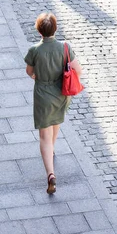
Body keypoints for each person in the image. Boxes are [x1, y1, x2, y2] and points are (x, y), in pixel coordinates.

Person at [24, 12, 83, 194]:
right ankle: (52, 149)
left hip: (43, 94)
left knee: (44, 137)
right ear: (55, 29)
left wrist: (37, 76)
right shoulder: (65, 47)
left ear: (39, 30)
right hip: (61, 93)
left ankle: (50, 174)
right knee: (56, 122)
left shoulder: (35, 50)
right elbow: (78, 70)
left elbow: (29, 71)